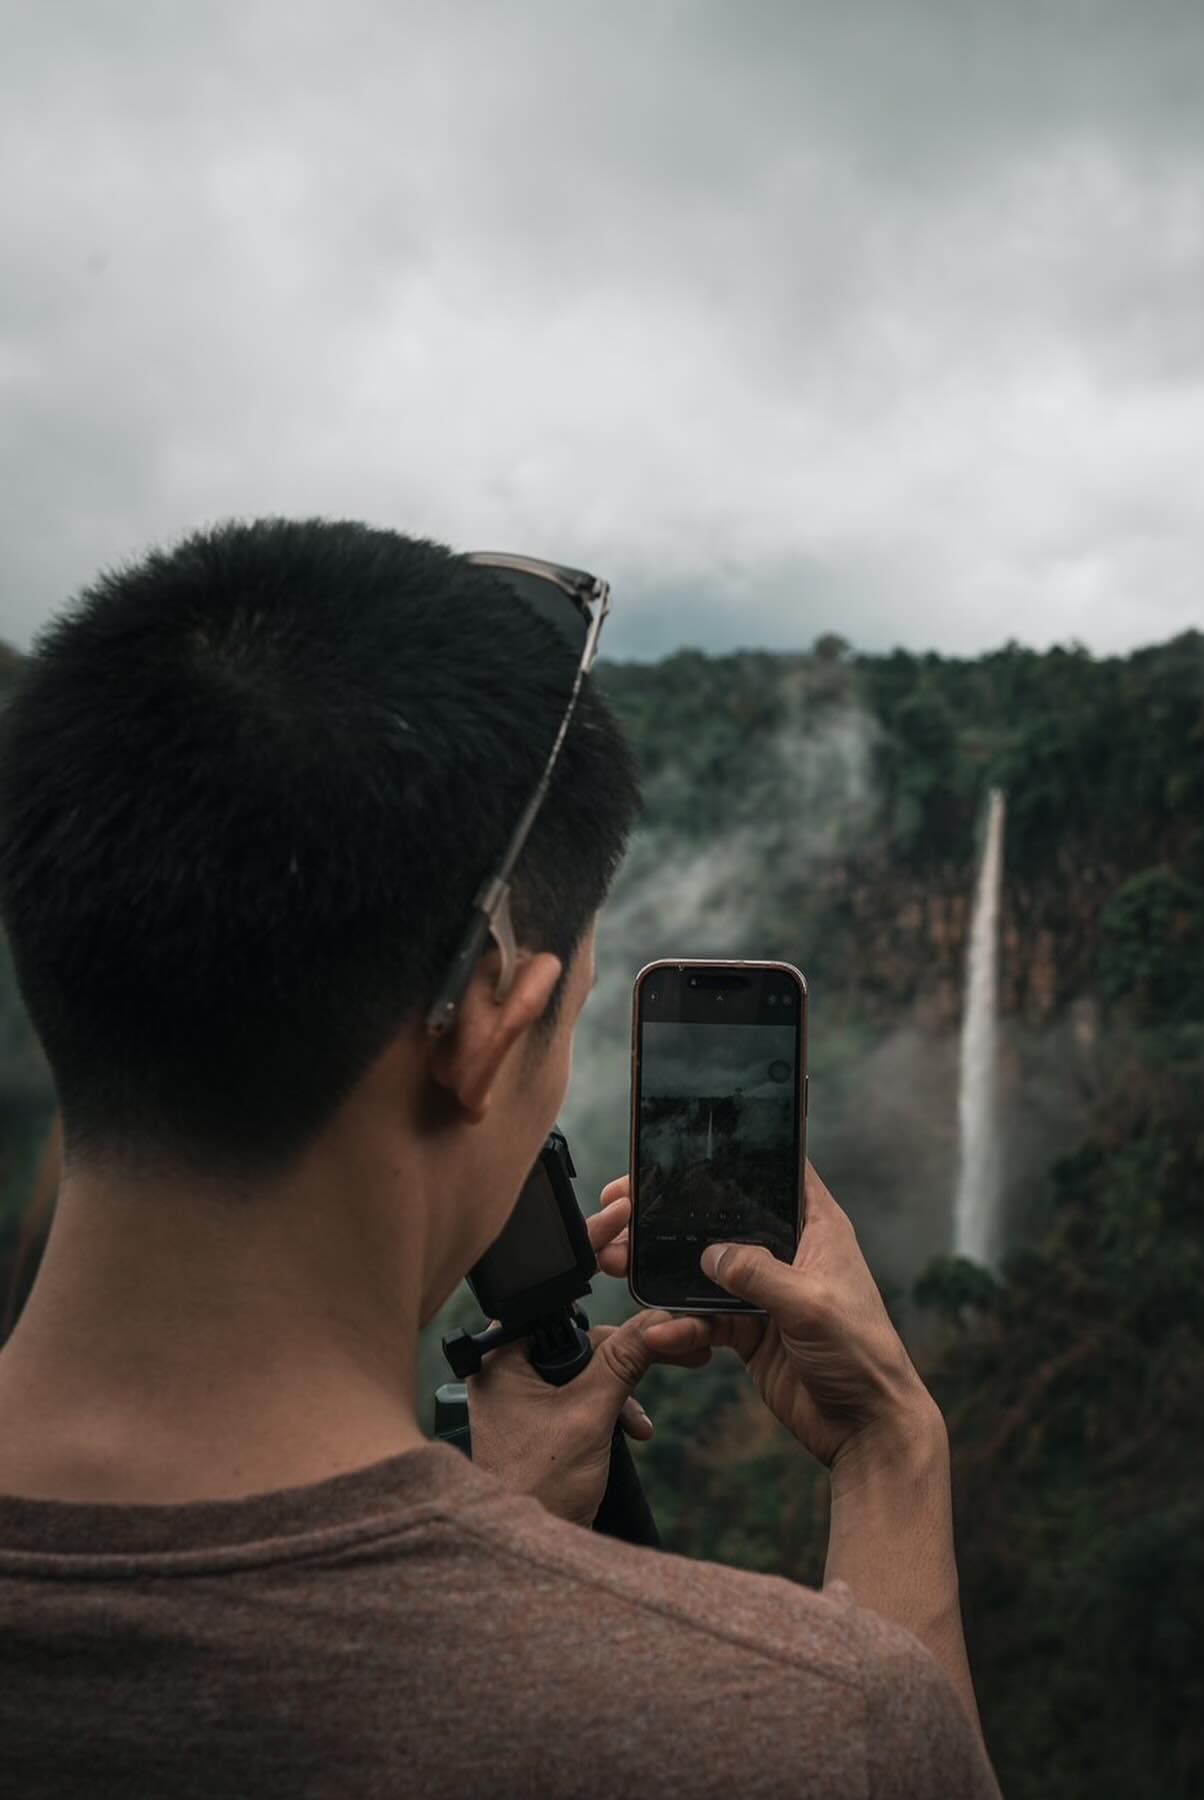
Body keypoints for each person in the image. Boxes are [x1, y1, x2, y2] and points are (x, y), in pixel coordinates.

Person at [0, 519, 999, 1799]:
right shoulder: (787, 1731)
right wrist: (891, 1451)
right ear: (486, 1026)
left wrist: (502, 1508)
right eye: (571, 1008)